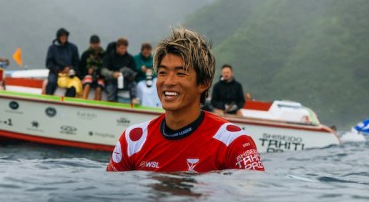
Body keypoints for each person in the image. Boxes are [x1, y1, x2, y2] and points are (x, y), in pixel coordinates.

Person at [107, 27, 265, 173]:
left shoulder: (234, 143)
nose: (168, 81)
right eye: (162, 73)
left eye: (180, 73)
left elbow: (253, 198)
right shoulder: (133, 140)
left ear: (203, 83)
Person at [44, 28, 80, 96]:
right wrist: (58, 70)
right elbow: (48, 63)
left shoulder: (73, 48)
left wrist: (70, 68)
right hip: (55, 72)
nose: (64, 37)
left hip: (69, 73)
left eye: (65, 36)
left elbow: (77, 63)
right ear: (58, 37)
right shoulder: (52, 48)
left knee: (74, 87)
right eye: (62, 36)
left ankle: (68, 103)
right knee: (51, 82)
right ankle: (48, 99)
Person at [101, 38, 137, 103]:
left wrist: (130, 76)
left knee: (133, 84)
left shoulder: (130, 58)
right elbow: (103, 70)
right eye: (121, 48)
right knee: (110, 87)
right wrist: (113, 74)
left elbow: (134, 71)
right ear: (117, 47)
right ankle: (112, 103)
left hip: (126, 80)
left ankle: (133, 101)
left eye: (125, 48)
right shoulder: (109, 56)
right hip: (113, 80)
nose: (123, 50)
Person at [78, 35, 106, 100]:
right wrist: (87, 71)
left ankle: (96, 107)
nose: (95, 45)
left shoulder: (104, 54)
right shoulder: (85, 54)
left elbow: (105, 67)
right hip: (88, 75)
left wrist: (97, 71)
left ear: (99, 43)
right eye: (93, 43)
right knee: (87, 86)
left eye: (97, 43)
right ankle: (83, 103)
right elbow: (81, 68)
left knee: (98, 89)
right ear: (90, 44)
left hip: (99, 76)